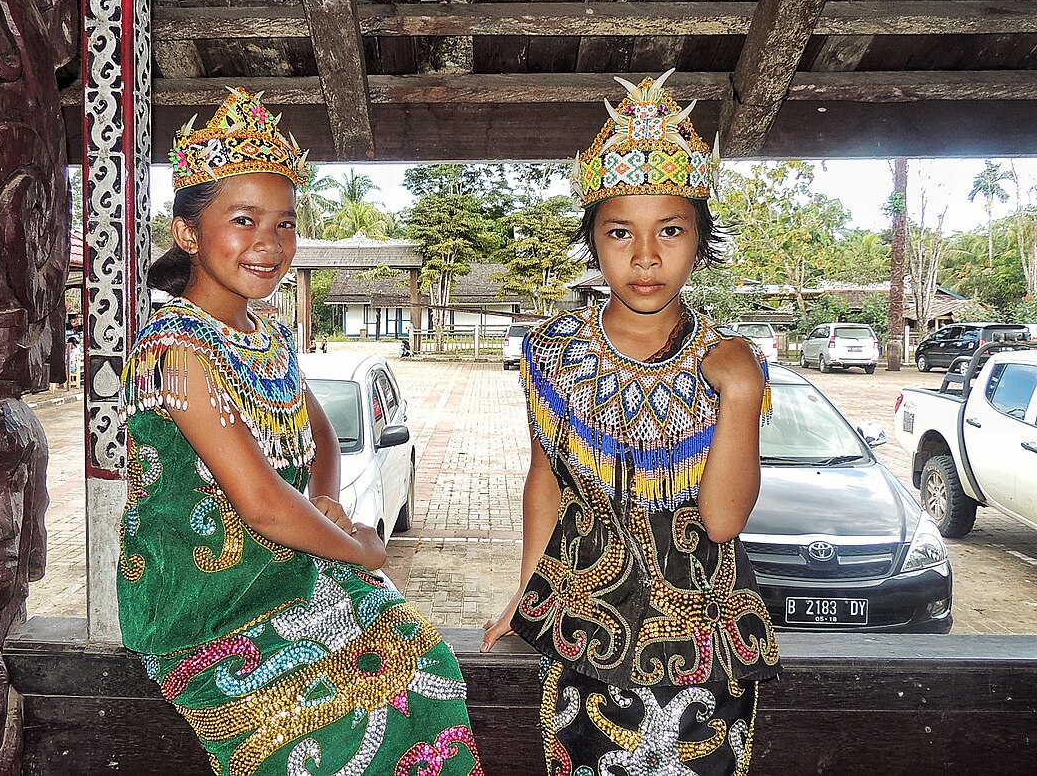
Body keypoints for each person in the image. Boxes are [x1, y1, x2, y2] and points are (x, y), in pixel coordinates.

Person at [117, 88, 482, 776]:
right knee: (332, 733)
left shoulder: (269, 333)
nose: (270, 243)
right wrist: (360, 552)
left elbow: (316, 429)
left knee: (425, 661)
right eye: (245, 220)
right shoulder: (174, 349)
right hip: (209, 606)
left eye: (285, 224)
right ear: (188, 232)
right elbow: (258, 503)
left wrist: (328, 499)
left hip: (287, 571)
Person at [481, 71, 781, 775]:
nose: (646, 257)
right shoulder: (551, 352)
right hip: (583, 634)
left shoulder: (730, 360)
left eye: (670, 231)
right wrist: (527, 594)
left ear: (700, 242)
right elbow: (544, 482)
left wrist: (739, 393)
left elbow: (723, 521)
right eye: (621, 232)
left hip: (706, 651)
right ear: (592, 240)